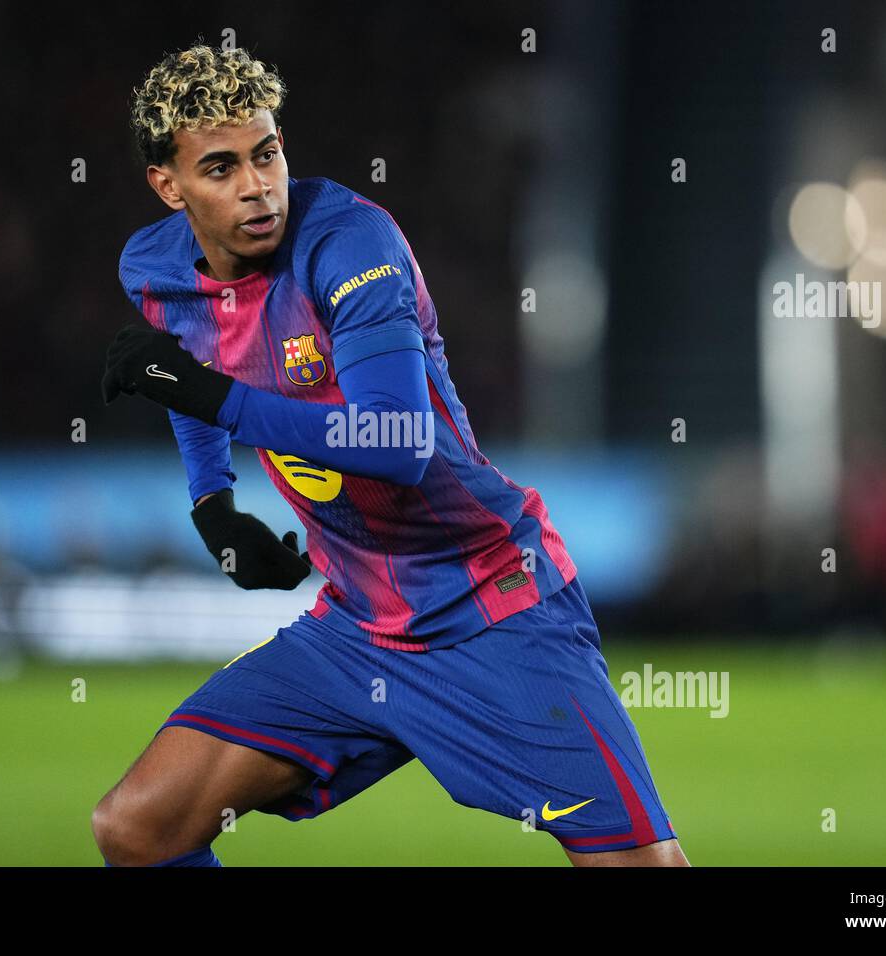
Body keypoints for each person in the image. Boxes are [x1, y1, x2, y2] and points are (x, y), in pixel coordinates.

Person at [93, 44, 686, 867]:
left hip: (490, 604)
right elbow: (192, 356)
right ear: (170, 186)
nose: (258, 186)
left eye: (267, 154)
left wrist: (207, 397)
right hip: (358, 624)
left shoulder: (349, 244)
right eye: (221, 168)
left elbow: (398, 444)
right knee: (136, 828)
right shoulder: (153, 268)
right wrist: (213, 504)